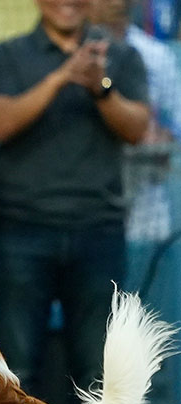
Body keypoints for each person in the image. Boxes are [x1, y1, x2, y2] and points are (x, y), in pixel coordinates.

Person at [0, 0, 149, 404]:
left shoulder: (120, 57)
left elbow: (137, 127)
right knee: (15, 363)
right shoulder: (9, 55)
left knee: (96, 362)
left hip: (97, 227)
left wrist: (99, 84)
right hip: (21, 226)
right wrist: (62, 77)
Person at [92, 0, 181, 243]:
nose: (116, 3)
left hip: (145, 206)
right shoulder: (69, 51)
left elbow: (177, 120)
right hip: (85, 201)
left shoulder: (155, 54)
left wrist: (164, 135)